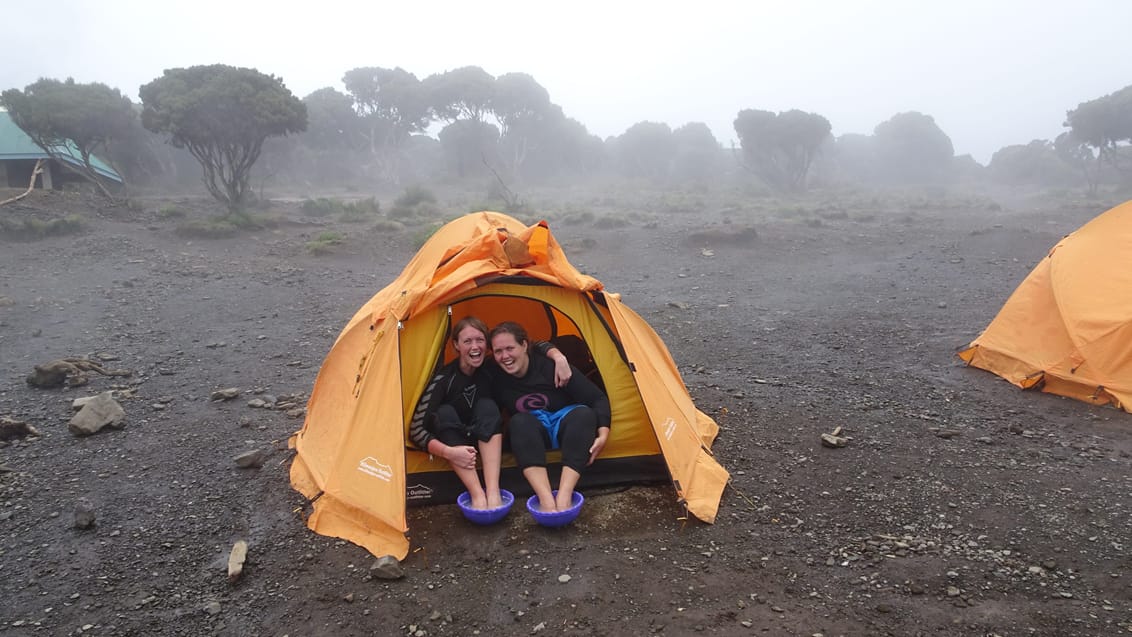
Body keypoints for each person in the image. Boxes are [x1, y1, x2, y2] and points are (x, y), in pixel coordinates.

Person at [408, 317, 570, 509]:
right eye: (467, 341)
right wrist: (449, 452)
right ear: (456, 345)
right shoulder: (444, 379)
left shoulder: (492, 366)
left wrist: (559, 357)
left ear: (487, 344)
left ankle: (493, 492)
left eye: (480, 340)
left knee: (487, 405)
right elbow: (416, 430)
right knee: (445, 412)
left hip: (488, 439)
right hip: (454, 444)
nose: (474, 346)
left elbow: (533, 345)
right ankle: (477, 494)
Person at [489, 321, 611, 513]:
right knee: (519, 422)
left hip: (566, 428)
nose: (505, 356)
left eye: (510, 348)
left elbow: (597, 398)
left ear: (524, 346)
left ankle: (564, 496)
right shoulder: (495, 376)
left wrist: (603, 434)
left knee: (584, 414)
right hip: (532, 435)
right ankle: (545, 501)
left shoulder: (551, 366)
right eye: (498, 351)